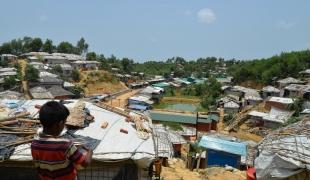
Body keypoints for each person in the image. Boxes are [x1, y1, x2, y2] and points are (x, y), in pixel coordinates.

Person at [31, 101, 93, 180]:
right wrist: (90, 152)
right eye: (65, 123)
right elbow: (84, 164)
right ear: (60, 123)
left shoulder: (34, 144)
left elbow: (39, 165)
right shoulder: (65, 144)